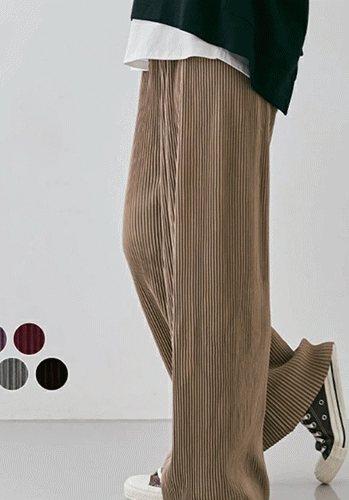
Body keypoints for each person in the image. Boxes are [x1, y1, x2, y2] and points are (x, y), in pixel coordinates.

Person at [121, 2, 348, 500]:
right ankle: (290, 383)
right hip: (167, 22)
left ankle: (215, 482)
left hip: (231, 24)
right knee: (148, 242)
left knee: (209, 264)